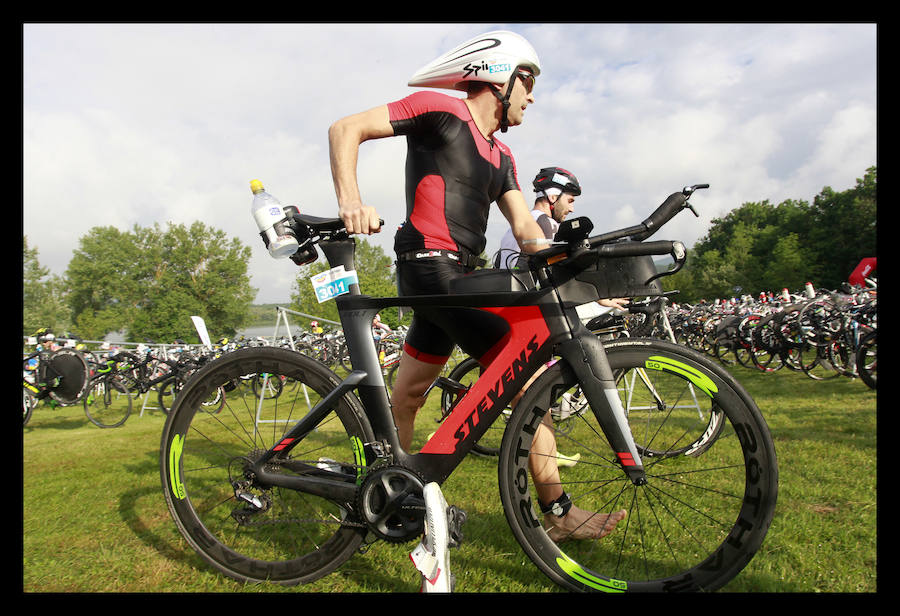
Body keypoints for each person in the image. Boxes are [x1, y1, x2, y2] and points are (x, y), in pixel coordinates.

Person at [328, 30, 625, 542]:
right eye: (527, 82)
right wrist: (351, 200)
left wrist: (573, 252)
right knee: (531, 387)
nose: (532, 97)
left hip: (458, 276)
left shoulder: (503, 157)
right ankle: (559, 516)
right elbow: (345, 128)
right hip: (428, 267)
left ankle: (384, 495)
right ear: (497, 76)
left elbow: (528, 232)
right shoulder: (437, 109)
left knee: (410, 394)